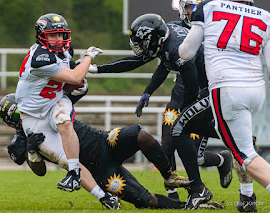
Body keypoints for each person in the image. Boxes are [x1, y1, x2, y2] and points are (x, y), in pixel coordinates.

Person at [88, 13, 231, 208]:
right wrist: (98, 69)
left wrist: (184, 111)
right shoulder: (166, 36)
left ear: (155, 37)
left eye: (143, 43)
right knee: (179, 131)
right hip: (204, 85)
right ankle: (226, 149)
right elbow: (152, 63)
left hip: (211, 86)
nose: (142, 48)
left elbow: (191, 87)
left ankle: (201, 186)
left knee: (180, 129)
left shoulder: (176, 50)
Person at [0, 93, 203, 210]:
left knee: (140, 135)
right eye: (19, 112)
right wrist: (32, 151)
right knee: (144, 199)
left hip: (103, 141)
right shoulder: (22, 140)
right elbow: (39, 171)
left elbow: (70, 96)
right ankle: (185, 207)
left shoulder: (46, 108)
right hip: (97, 169)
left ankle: (169, 175)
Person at [178, 0, 270, 205]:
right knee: (243, 145)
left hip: (227, 89)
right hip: (256, 90)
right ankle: (247, 197)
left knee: (245, 153)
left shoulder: (209, 7)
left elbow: (186, 52)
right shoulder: (265, 15)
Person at [15, 13, 102, 192]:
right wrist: (88, 57)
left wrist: (76, 86)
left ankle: (74, 174)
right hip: (33, 112)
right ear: (41, 36)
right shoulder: (40, 57)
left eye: (60, 34)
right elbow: (76, 75)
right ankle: (97, 191)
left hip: (54, 101)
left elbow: (72, 78)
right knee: (59, 155)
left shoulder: (65, 50)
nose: (58, 39)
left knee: (64, 120)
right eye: (52, 35)